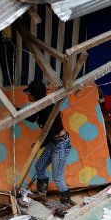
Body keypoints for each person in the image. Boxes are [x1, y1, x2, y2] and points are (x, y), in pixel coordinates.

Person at [24, 79, 73, 207]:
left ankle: (65, 204)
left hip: (61, 143)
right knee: (39, 167)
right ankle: (41, 196)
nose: (28, 96)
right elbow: (32, 118)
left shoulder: (47, 109)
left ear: (34, 95)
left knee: (57, 176)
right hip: (53, 143)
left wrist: (38, 145)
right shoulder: (40, 105)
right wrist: (17, 111)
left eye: (29, 94)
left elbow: (50, 134)